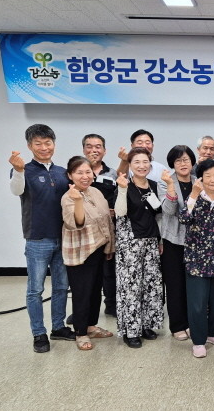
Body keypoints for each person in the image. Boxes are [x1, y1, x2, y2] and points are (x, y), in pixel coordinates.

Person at [9, 124, 75, 353]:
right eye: (38, 144)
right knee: (35, 289)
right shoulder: (23, 169)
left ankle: (58, 327)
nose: (44, 147)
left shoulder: (62, 172)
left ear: (54, 144)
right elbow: (16, 191)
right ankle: (39, 333)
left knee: (61, 286)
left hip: (63, 238)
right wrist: (18, 170)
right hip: (37, 239)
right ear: (30, 146)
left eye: (48, 143)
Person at [61, 156, 115, 350]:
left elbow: (107, 220)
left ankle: (91, 326)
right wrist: (77, 201)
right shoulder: (68, 196)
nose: (84, 176)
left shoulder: (96, 192)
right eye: (79, 173)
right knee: (82, 293)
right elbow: (77, 222)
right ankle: (81, 332)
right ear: (70, 175)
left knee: (94, 291)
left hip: (98, 248)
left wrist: (109, 246)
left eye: (87, 172)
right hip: (81, 252)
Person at [114, 147, 164, 349]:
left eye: (145, 162)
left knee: (150, 285)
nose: (142, 166)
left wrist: (160, 240)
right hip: (130, 243)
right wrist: (122, 189)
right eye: (137, 162)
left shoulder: (154, 185)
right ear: (130, 165)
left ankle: (146, 325)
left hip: (151, 240)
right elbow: (120, 212)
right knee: (131, 287)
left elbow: (158, 214)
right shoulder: (124, 184)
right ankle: (131, 331)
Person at [180, 159, 214, 358]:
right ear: (200, 178)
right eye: (208, 175)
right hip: (197, 259)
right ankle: (198, 341)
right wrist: (193, 194)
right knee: (198, 304)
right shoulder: (195, 197)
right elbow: (183, 218)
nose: (213, 179)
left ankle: (211, 333)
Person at [157, 145, 196, 341]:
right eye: (178, 160)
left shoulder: (198, 181)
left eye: (186, 159)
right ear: (172, 163)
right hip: (173, 239)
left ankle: (191, 322)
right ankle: (177, 325)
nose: (183, 163)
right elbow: (168, 210)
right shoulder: (165, 182)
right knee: (175, 284)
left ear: (192, 162)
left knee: (193, 284)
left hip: (195, 241)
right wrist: (171, 188)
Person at [82, 133, 118, 317]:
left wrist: (114, 210)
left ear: (104, 150)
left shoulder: (112, 173)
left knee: (109, 270)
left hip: (108, 228)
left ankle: (111, 305)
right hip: (84, 230)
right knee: (86, 272)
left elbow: (119, 195)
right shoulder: (77, 172)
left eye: (98, 147)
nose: (94, 150)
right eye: (89, 146)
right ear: (83, 149)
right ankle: (84, 310)